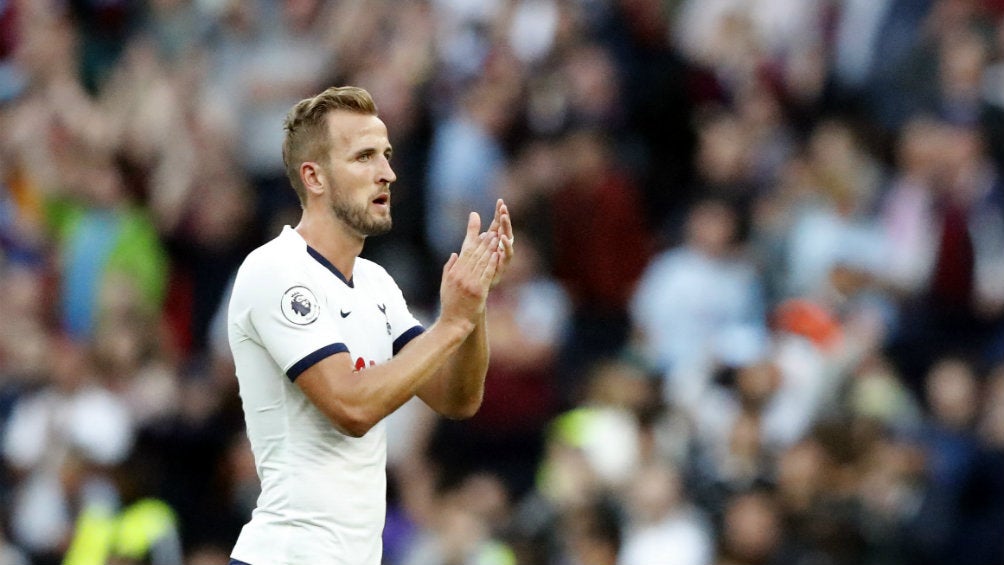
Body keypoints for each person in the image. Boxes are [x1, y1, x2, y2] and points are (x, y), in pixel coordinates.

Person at [225, 85, 514, 564]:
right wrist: (449, 325)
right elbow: (351, 406)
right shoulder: (275, 269)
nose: (388, 173)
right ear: (314, 177)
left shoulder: (376, 284)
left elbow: (456, 398)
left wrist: (473, 303)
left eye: (386, 155)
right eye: (364, 157)